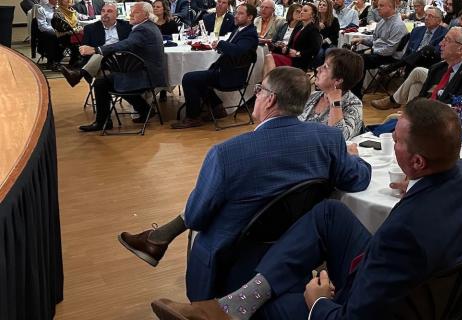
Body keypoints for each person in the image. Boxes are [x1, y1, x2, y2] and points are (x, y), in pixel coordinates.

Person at [150, 99, 462, 320]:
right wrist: (415, 181)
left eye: (398, 141)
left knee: (276, 306)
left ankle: (236, 308)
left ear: (417, 160)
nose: (394, 144)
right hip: (426, 286)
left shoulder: (401, 236)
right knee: (330, 213)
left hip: (382, 305)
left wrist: (319, 302)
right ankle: (242, 298)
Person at [119, 67, 372, 302]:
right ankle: (157, 239)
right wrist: (355, 159)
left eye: (260, 90)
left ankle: (161, 244)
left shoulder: (226, 154)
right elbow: (357, 178)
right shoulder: (328, 139)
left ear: (270, 99)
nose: (256, 94)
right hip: (296, 247)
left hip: (234, 255)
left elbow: (196, 218)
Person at [74, 1, 166, 132]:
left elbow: (125, 44)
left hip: (146, 75)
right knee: (110, 80)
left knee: (102, 83)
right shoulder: (147, 26)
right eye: (131, 11)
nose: (131, 14)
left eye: (136, 12)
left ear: (146, 15)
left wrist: (96, 49)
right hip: (144, 71)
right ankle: (145, 109)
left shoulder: (143, 29)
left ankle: (103, 122)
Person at [173, 3, 261, 130]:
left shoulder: (250, 34)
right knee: (199, 76)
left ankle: (193, 118)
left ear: (250, 17)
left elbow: (238, 51)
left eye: (240, 13)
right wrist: (220, 45)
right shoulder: (239, 29)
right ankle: (217, 108)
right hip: (226, 70)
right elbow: (230, 49)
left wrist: (220, 44)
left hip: (232, 76)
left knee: (189, 78)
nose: (236, 16)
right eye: (236, 13)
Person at [299, 48, 365, 141]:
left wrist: (335, 102)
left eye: (325, 67)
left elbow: (338, 138)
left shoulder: (353, 104)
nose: (318, 69)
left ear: (338, 80)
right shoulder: (313, 96)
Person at [417, 26, 462, 104]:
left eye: (447, 40)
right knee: (415, 87)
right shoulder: (436, 68)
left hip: (445, 114)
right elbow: (421, 97)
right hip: (425, 112)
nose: (441, 44)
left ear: (461, 49)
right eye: (443, 39)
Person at [269, 2, 322, 71]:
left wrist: (298, 53)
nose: (301, 12)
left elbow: (315, 49)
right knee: (270, 55)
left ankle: (267, 81)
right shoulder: (299, 27)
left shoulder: (313, 29)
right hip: (290, 56)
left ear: (312, 15)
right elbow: (292, 45)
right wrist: (284, 47)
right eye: (302, 10)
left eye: (305, 11)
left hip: (300, 61)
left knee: (270, 57)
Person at [51, 0, 83, 66]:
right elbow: (61, 28)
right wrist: (74, 30)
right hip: (63, 35)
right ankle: (75, 62)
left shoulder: (73, 11)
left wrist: (77, 29)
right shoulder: (58, 12)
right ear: (61, 0)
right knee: (78, 42)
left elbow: (78, 24)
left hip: (75, 34)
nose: (69, 0)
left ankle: (80, 61)